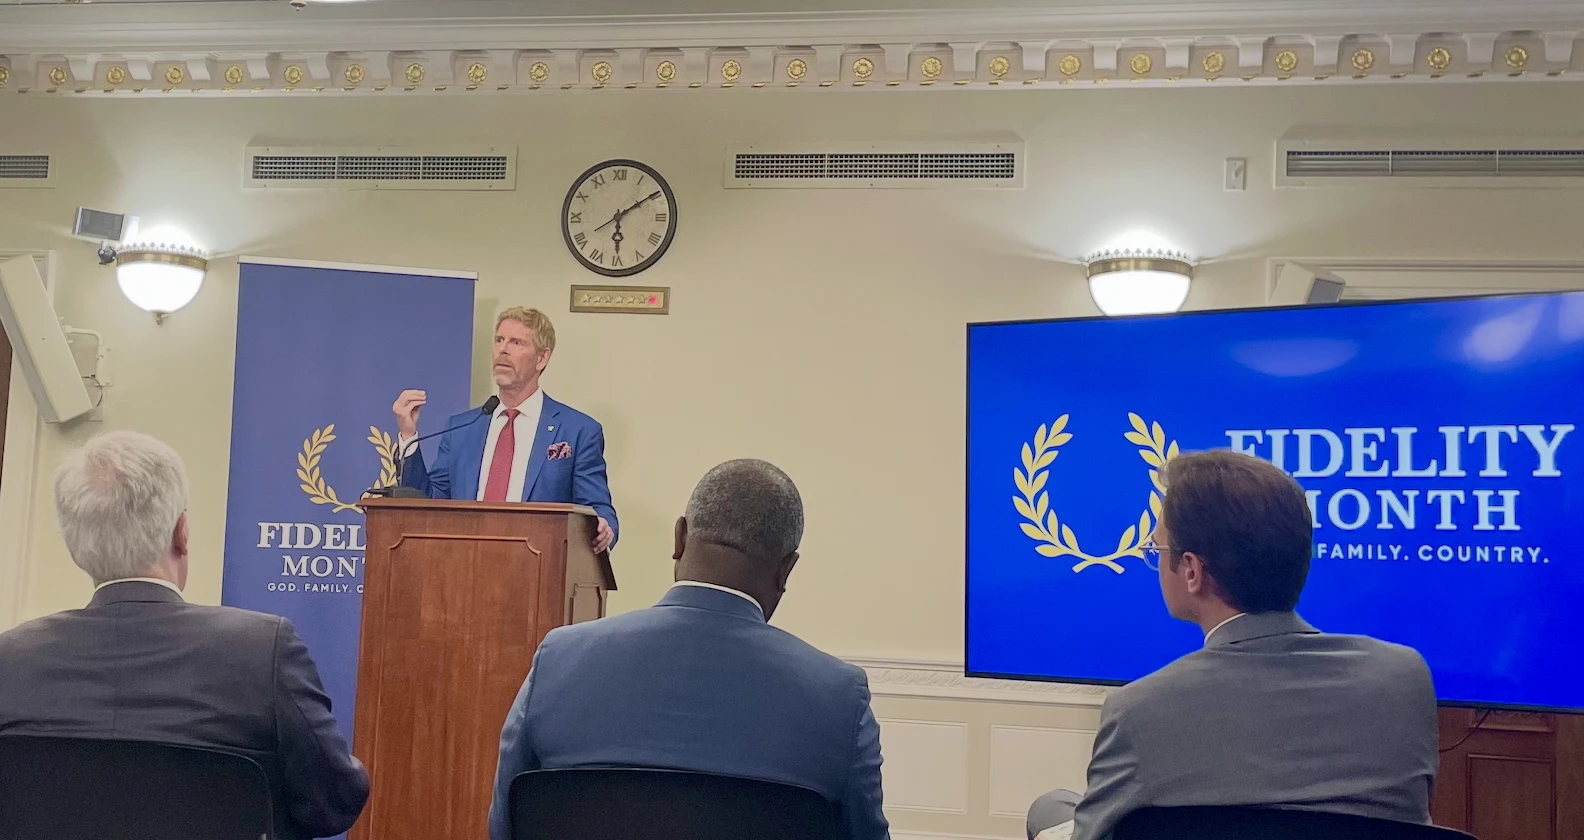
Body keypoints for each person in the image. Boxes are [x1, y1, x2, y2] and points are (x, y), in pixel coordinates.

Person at [1029, 449, 1439, 840]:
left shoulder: (1140, 710)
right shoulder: (1404, 679)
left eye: (1157, 549)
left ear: (1192, 571)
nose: (1155, 561)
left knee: (1050, 811)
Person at [486, 459, 889, 840]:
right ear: (786, 571)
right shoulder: (838, 697)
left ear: (679, 537)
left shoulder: (559, 659)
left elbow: (505, 825)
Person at [0, 431, 369, 840]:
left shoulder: (10, 659)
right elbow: (333, 804)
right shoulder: (264, 649)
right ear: (182, 533)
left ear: (74, 547)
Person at [392, 306, 617, 553]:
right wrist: (408, 435)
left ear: (542, 358)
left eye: (517, 342)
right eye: (499, 340)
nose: (503, 349)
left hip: (539, 571)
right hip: (461, 569)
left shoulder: (577, 430)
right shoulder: (461, 428)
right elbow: (427, 503)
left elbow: (598, 510)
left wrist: (604, 527)